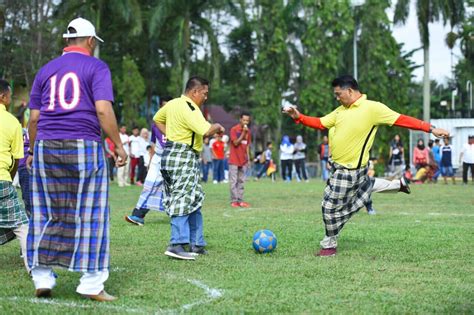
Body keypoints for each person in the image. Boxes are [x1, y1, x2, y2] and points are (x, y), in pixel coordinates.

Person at [282, 75, 449, 256]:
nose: (337, 98)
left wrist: (431, 129)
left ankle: (329, 245)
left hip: (349, 170)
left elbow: (403, 119)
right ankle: (397, 184)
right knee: (364, 185)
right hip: (338, 168)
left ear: (350, 91)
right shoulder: (340, 111)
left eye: (338, 94)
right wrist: (298, 117)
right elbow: (320, 122)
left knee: (329, 207)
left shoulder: (373, 108)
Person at [26, 18, 127, 301]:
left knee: (46, 212)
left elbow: (34, 118)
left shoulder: (45, 70)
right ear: (91, 41)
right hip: (84, 143)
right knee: (91, 213)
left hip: (46, 144)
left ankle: (42, 277)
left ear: (67, 40)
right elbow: (103, 111)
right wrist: (118, 145)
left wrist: (33, 150)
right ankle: (92, 284)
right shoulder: (96, 67)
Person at [154, 76, 224, 260]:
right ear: (195, 92)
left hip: (172, 153)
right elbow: (206, 130)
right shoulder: (190, 107)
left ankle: (196, 243)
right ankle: (176, 244)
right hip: (183, 156)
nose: (206, 97)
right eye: (205, 93)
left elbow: (157, 119)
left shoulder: (172, 104)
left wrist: (170, 134)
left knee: (193, 198)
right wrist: (217, 126)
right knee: (183, 198)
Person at [125, 99, 170, 226]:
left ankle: (181, 216)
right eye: (164, 107)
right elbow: (154, 144)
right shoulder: (155, 124)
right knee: (149, 186)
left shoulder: (176, 122)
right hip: (158, 159)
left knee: (171, 189)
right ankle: (138, 215)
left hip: (172, 159)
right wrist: (151, 161)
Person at [0, 79, 29, 271]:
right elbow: (17, 158)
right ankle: (34, 268)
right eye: (10, 95)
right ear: (3, 97)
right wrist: (8, 177)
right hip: (2, 178)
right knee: (22, 225)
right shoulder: (12, 122)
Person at [229, 112, 251, 208]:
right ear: (240, 120)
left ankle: (240, 200)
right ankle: (234, 201)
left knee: (241, 181)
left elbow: (247, 146)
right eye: (244, 120)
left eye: (247, 120)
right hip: (234, 160)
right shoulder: (234, 130)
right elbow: (236, 143)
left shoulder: (248, 132)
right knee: (234, 181)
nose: (246, 122)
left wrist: (249, 158)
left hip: (243, 160)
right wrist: (243, 133)